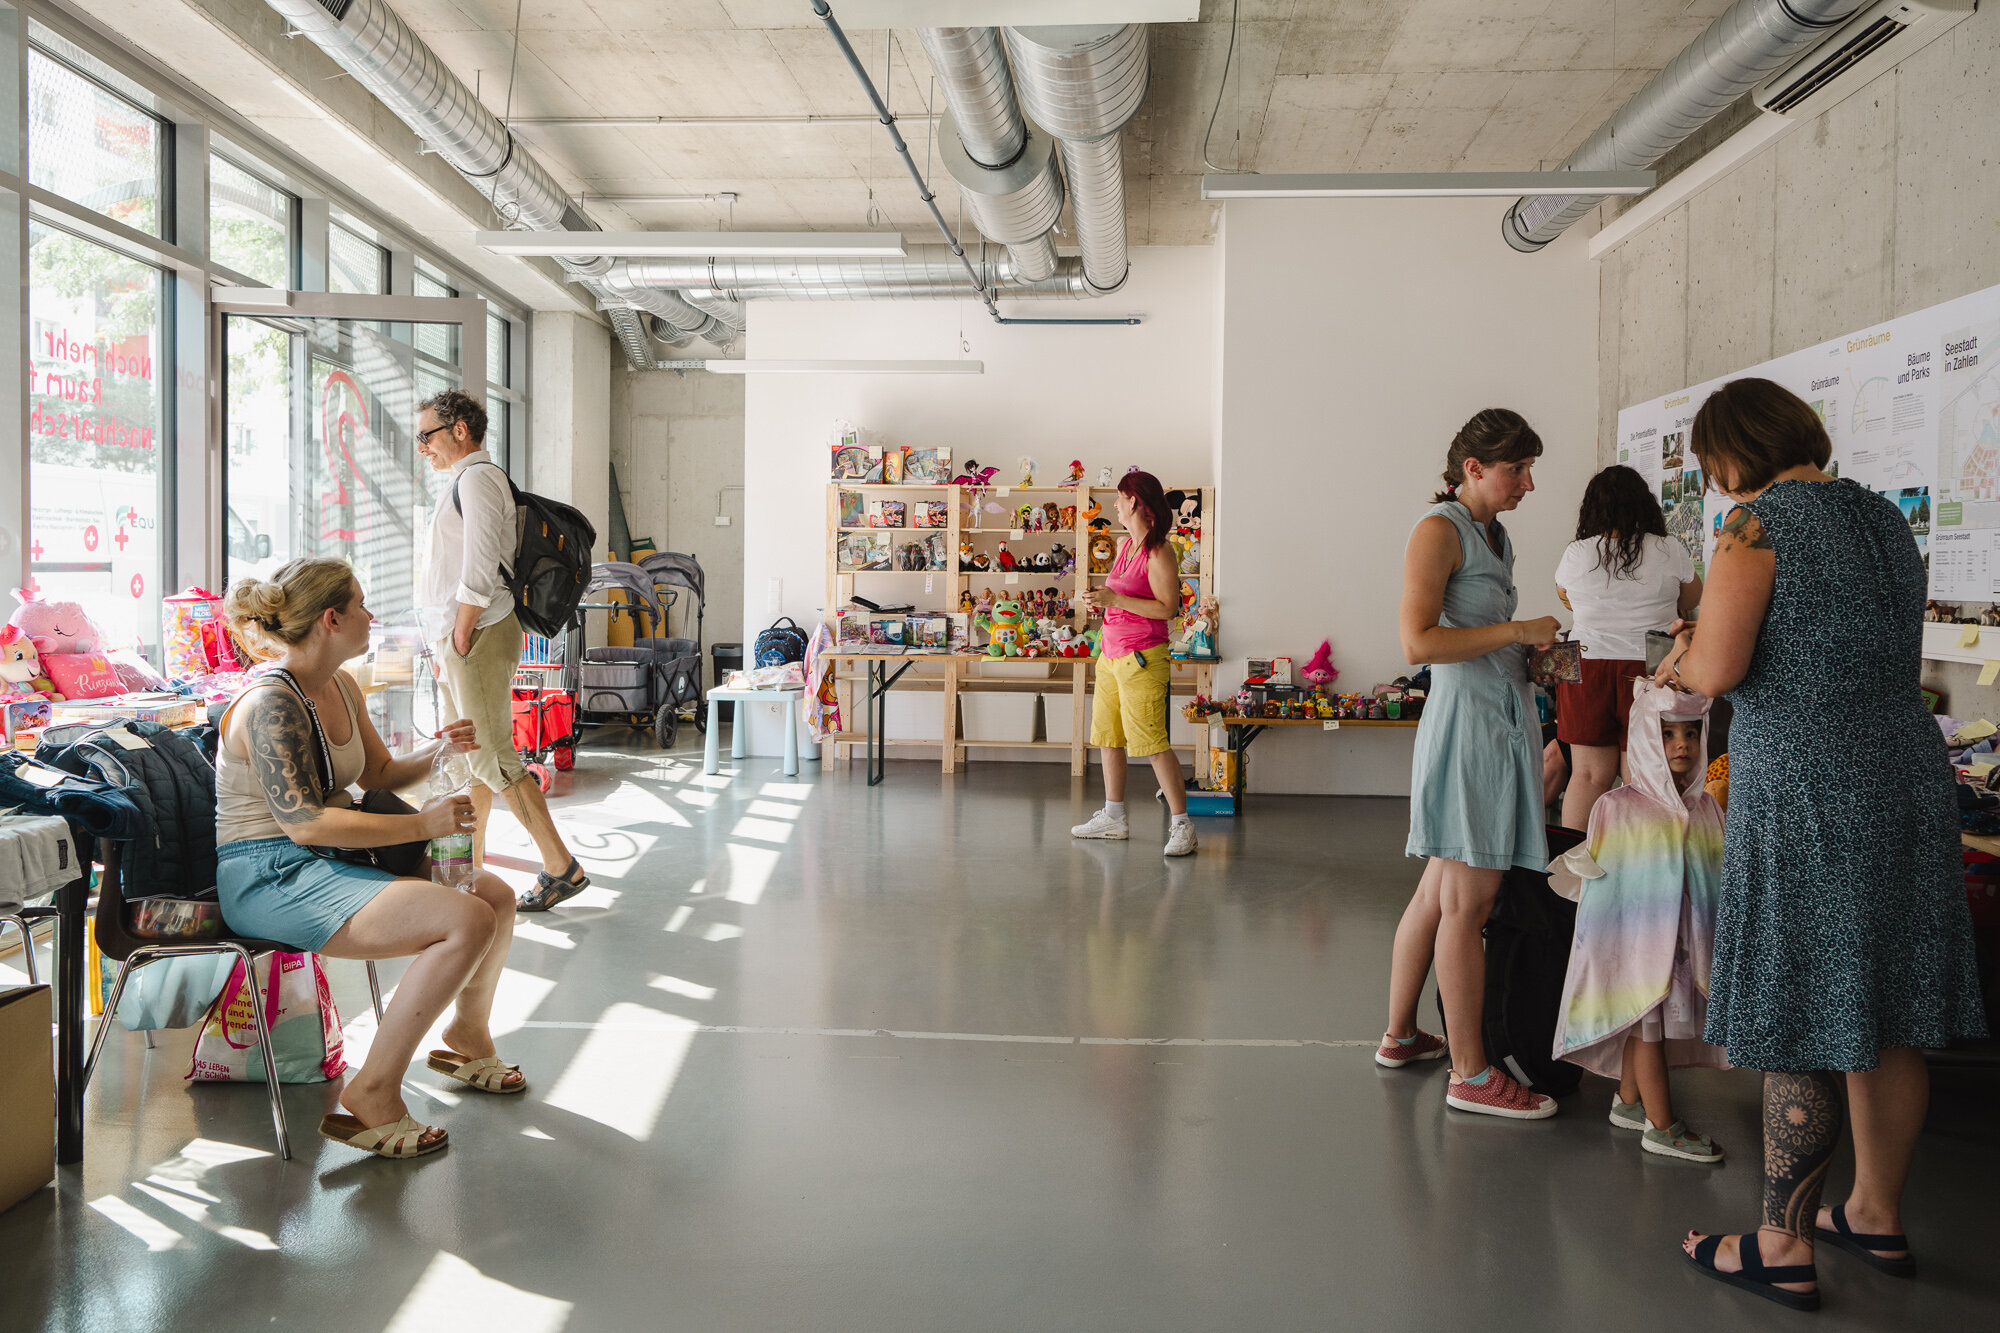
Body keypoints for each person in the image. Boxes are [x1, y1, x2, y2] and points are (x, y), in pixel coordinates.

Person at [1657, 378, 1984, 1311]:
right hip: (1904, 774)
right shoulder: (1882, 517)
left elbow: (1719, 668)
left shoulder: (1754, 528)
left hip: (1807, 784)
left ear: (1731, 453)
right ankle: (1873, 1211)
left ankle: (1780, 1241)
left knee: (1802, 994)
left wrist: (1679, 653)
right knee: (1884, 994)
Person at [217, 559, 524, 1161]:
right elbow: (303, 823)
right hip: (269, 872)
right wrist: (422, 825)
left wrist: (440, 750)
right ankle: (374, 1090)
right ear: (331, 619)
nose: (371, 614)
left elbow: (379, 773)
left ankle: (466, 1037)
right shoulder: (270, 705)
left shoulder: (340, 684)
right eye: (361, 604)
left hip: (327, 856)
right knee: (465, 919)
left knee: (493, 896)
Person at [1378, 408, 1562, 1120]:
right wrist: (1518, 629)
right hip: (1470, 734)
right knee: (1469, 904)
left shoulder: (1494, 535)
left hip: (1498, 723)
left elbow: (1475, 638)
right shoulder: (1438, 531)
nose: (1529, 483)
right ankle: (1470, 1071)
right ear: (1474, 468)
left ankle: (1400, 1034)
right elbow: (1416, 643)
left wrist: (1531, 657)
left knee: (1437, 894)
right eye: (1518, 468)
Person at [416, 389, 589, 912]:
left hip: (479, 633)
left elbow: (479, 566)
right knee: (469, 761)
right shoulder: (463, 482)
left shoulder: (478, 479)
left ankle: (563, 868)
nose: (422, 446)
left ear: (460, 430)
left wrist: (463, 632)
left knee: (492, 757)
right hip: (461, 639)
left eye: (427, 435)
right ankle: (469, 869)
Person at [1550, 682, 1728, 1164]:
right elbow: (1608, 900)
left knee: (1641, 1024)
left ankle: (1630, 1103)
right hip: (1637, 952)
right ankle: (1663, 1126)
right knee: (1645, 1023)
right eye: (1668, 735)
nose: (1683, 745)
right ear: (1648, 740)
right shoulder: (1618, 808)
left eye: (1692, 734)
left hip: (1681, 951)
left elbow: (1713, 881)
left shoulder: (1706, 808)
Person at [1553, 465, 1702, 831]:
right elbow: (1693, 597)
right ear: (1645, 505)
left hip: (1585, 663)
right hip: (1653, 665)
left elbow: (1565, 598)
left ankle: (1573, 874)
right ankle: (1638, 869)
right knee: (1642, 777)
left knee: (1587, 776)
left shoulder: (1578, 552)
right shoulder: (1669, 549)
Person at [1070, 470, 1197, 858]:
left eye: (1120, 498)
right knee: (1108, 738)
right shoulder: (1125, 546)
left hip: (1142, 658)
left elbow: (1168, 609)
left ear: (1137, 503)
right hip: (1111, 656)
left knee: (1153, 743)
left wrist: (1115, 601)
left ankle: (1182, 825)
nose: (1115, 505)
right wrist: (1101, 600)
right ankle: (1113, 816)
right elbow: (1119, 594)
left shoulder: (1160, 551)